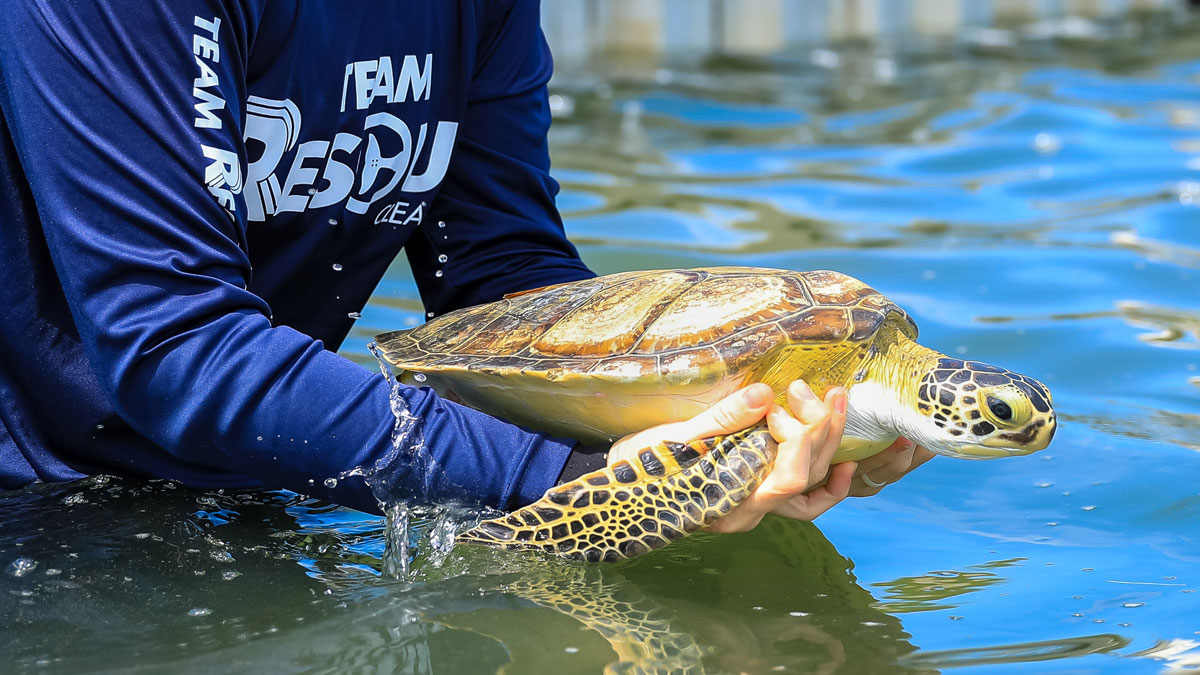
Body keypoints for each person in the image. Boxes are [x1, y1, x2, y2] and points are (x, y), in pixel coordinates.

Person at [0, 0, 930, 533]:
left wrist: (715, 423)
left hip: (258, 484)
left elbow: (499, 267)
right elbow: (178, 341)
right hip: (30, 506)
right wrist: (584, 482)